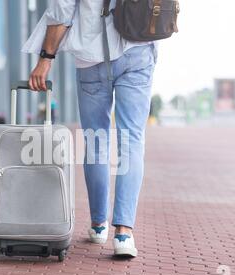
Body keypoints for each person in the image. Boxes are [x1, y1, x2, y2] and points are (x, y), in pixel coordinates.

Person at [23, 0, 158, 258]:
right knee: (131, 141)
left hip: (91, 57)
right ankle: (124, 233)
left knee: (96, 141)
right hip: (138, 50)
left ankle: (98, 225)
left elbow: (61, 11)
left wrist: (46, 58)